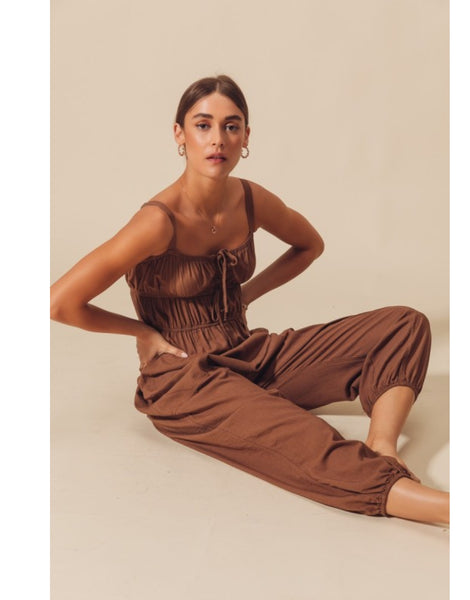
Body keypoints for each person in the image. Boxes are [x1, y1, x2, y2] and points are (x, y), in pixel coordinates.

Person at [50, 74, 449, 525]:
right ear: (179, 134)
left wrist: (245, 294)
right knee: (303, 436)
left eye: (231, 126)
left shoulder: (249, 198)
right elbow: (60, 302)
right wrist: (143, 332)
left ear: (245, 136)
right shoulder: (158, 222)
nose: (217, 139)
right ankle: (447, 509)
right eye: (203, 125)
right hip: (184, 379)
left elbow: (309, 245)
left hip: (246, 353)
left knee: (403, 325)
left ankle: (382, 447)